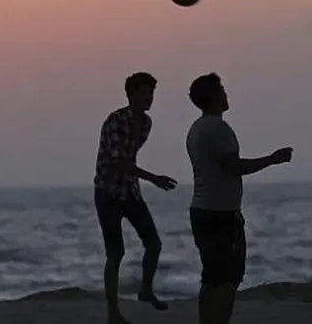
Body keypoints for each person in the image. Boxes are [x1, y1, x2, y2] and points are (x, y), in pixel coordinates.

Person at [185, 72, 293, 324]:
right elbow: (233, 167)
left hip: (201, 210)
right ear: (213, 96)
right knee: (228, 279)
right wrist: (272, 159)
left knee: (211, 278)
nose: (226, 93)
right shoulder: (218, 128)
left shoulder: (196, 129)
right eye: (221, 89)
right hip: (221, 214)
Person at [93, 72, 178, 324]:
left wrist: (142, 179)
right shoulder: (115, 121)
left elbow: (130, 158)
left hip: (129, 191)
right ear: (130, 95)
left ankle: (145, 289)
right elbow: (119, 161)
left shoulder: (146, 124)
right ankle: (112, 313)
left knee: (153, 243)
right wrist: (153, 178)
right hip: (108, 192)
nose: (149, 98)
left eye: (151, 93)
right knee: (115, 253)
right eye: (143, 93)